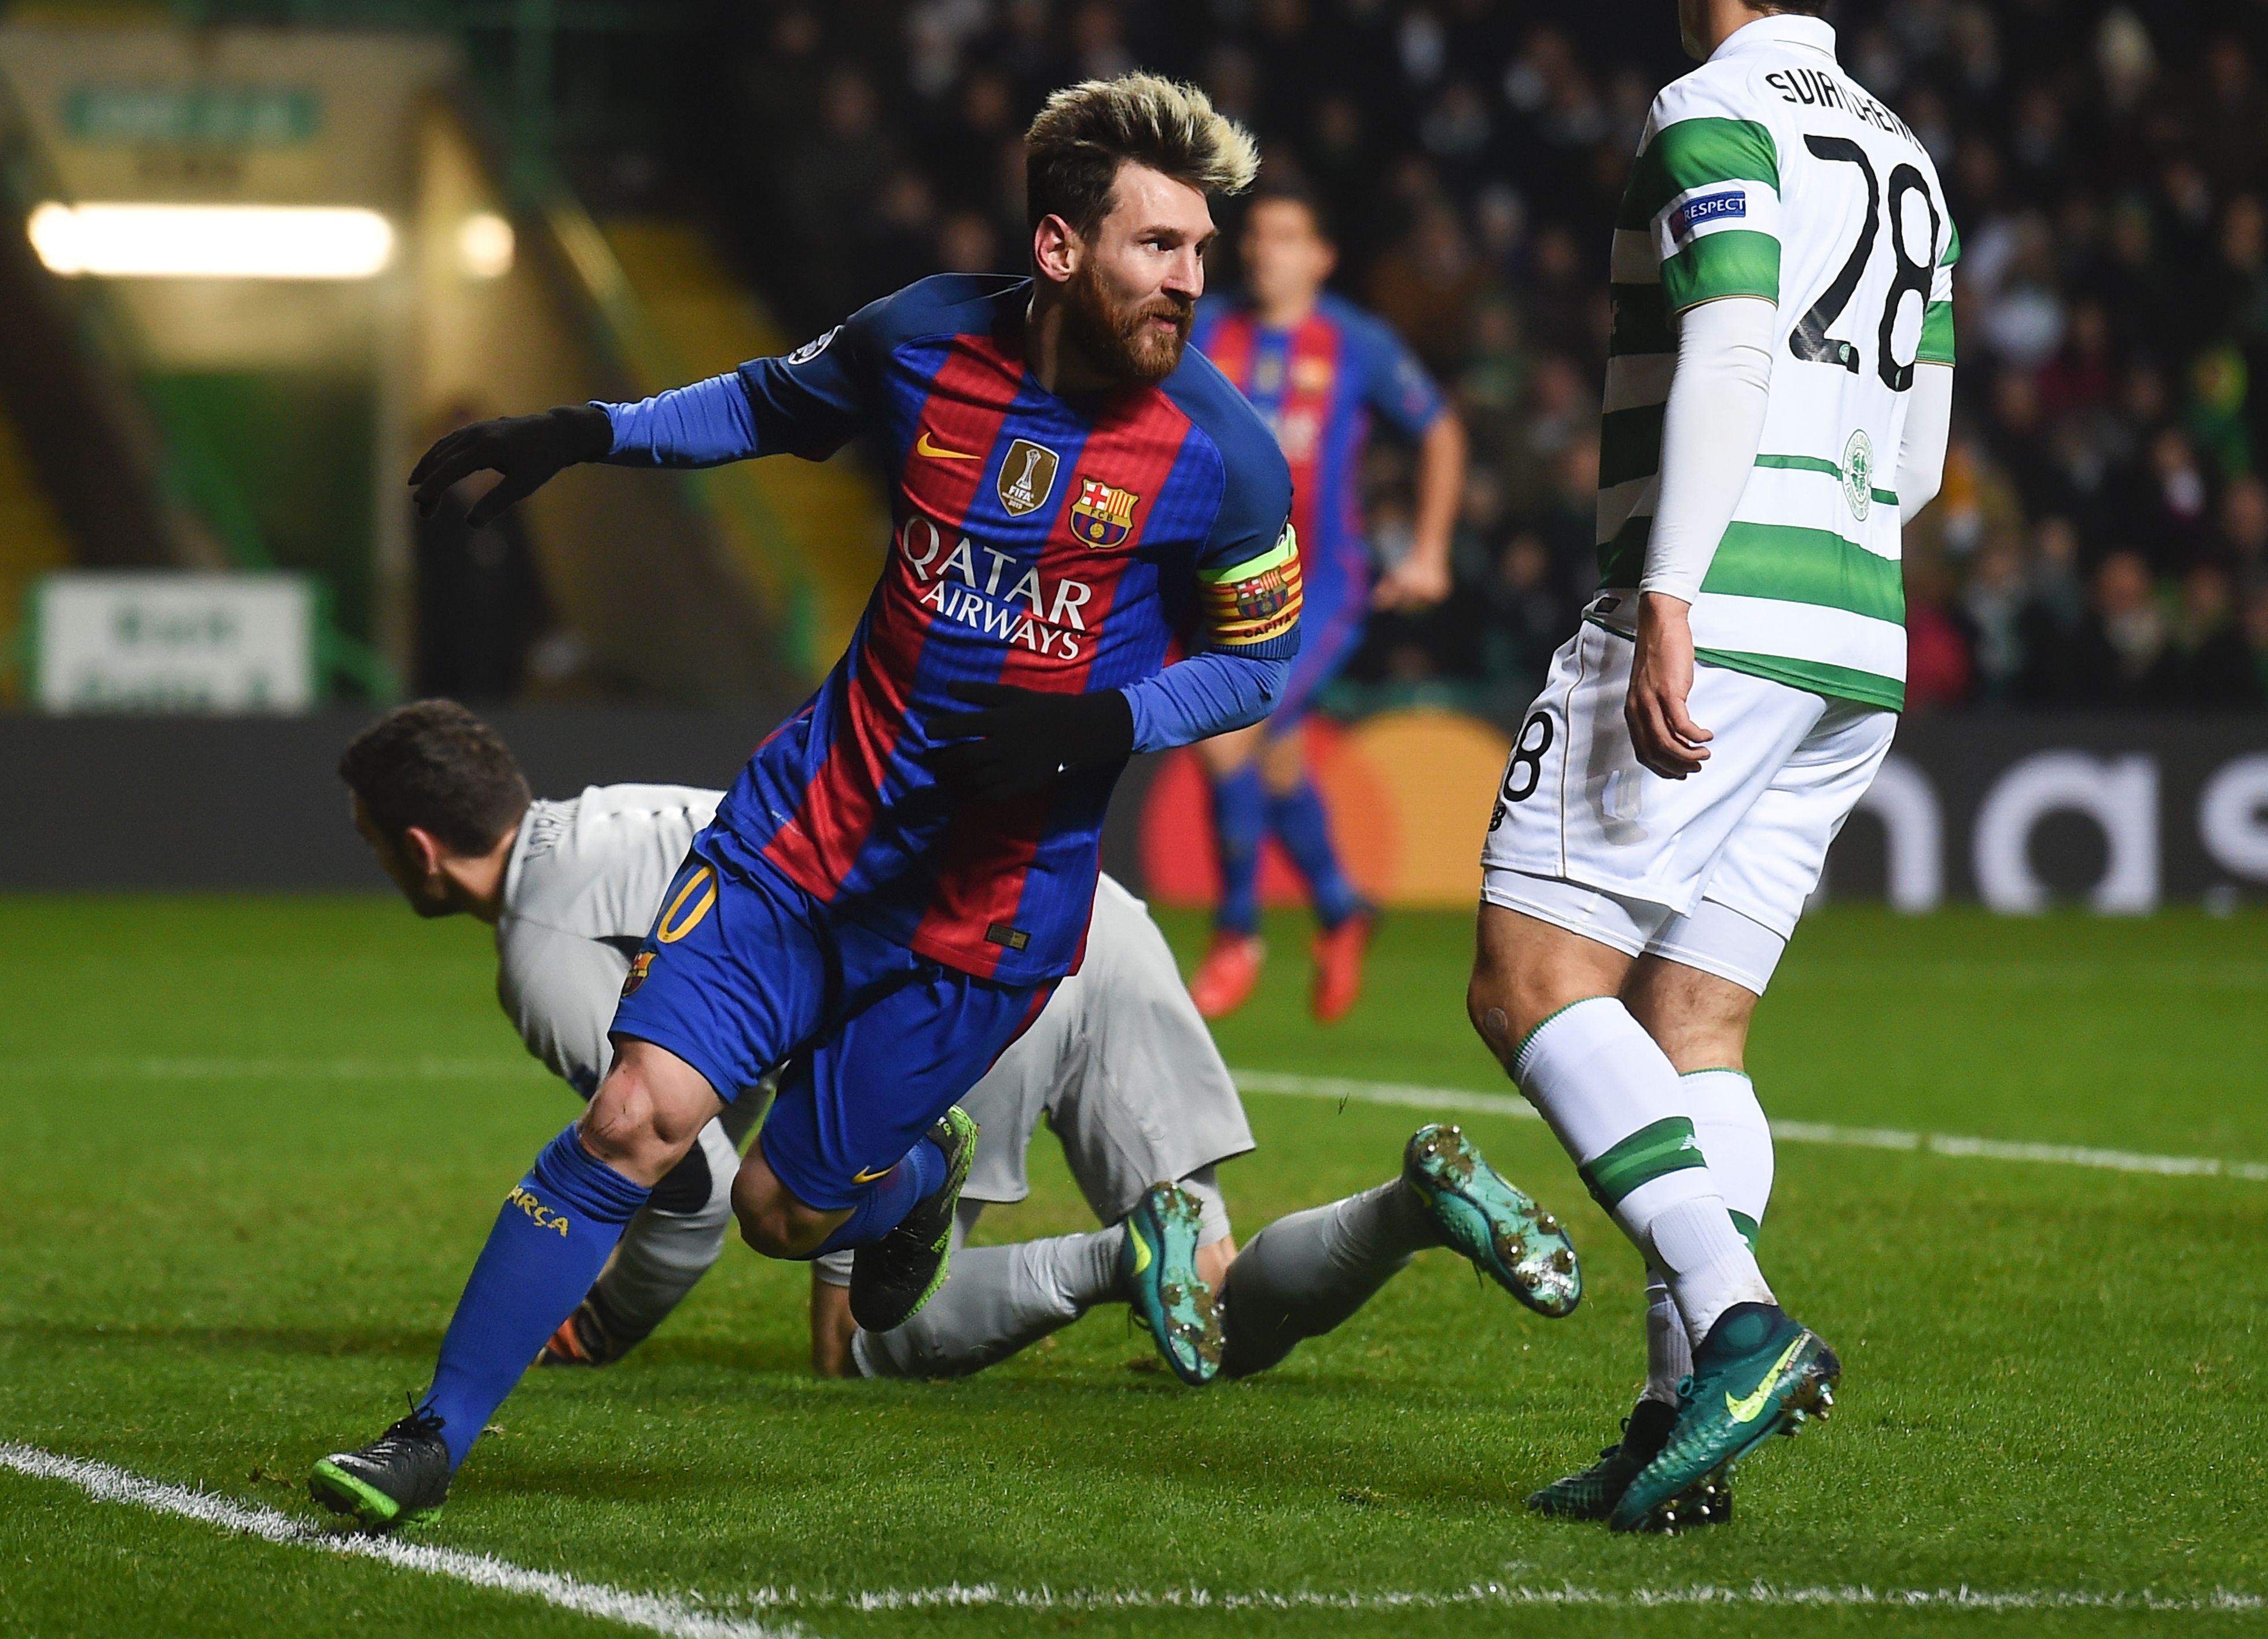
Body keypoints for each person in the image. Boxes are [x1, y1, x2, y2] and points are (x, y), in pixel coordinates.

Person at [311, 74, 1304, 1530]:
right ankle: (433, 1432)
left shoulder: (1224, 458)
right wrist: (583, 432)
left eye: (1199, 252)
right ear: (1056, 248)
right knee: (636, 1120)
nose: (1189, 283)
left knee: (784, 1214)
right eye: (1157, 247)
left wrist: (1102, 719)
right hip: (804, 842)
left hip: (990, 907)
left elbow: (1256, 660)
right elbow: (766, 404)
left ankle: (905, 1187)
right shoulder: (921, 340)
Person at [332, 701, 1580, 1398]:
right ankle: (1407, 1207)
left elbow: (684, 1185)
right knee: (1214, 1286)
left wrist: (603, 1323)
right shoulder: (616, 817)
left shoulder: (543, 947)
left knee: (860, 1336)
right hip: (1074, 904)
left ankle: (1107, 1254)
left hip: (947, 973)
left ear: (420, 848)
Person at [1468, 0, 1951, 1534]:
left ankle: (1737, 1326)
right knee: (1697, 1026)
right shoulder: (1906, 155)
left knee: (1532, 981)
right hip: (1859, 633)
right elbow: (1924, 452)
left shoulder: (1708, 114)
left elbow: (1736, 333)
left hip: (1719, 613)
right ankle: (1678, 1431)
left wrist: (1671, 590)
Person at [1186, 190, 1468, 1021]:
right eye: (1258, 236)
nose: (1263, 252)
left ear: (1321, 257)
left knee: (1228, 734)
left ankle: (1237, 929)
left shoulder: (1357, 342)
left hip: (1323, 588)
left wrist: (1429, 550)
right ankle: (1343, 909)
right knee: (1272, 755)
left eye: (1285, 236)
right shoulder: (1211, 331)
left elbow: (1441, 431)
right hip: (1225, 579)